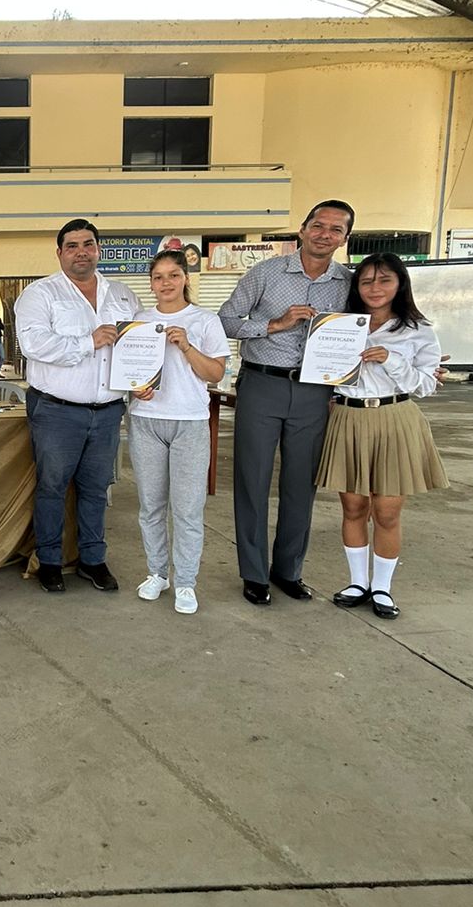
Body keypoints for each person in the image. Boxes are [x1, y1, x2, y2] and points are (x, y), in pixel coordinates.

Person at [218, 201, 355, 606]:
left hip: (315, 392)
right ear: (302, 229)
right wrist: (274, 324)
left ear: (345, 238)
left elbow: (370, 330)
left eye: (335, 229)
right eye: (318, 225)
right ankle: (254, 573)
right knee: (252, 480)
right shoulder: (266, 273)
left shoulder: (348, 284)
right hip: (263, 384)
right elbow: (225, 321)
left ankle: (288, 570)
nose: (324, 234)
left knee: (301, 485)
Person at [316, 253, 448, 620]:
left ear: (400, 283)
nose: (375, 288)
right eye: (367, 281)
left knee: (387, 512)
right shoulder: (341, 325)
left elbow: (426, 385)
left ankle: (382, 588)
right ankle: (358, 582)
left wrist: (391, 359)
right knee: (353, 507)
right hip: (348, 417)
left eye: (384, 279)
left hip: (394, 418)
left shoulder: (417, 329)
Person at [13, 218, 140, 593]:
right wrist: (89, 341)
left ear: (98, 250)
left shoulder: (123, 295)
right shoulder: (40, 294)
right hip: (57, 411)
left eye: (88, 244)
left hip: (108, 411)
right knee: (52, 487)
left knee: (96, 488)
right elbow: (34, 344)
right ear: (59, 253)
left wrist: (144, 381)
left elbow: (140, 346)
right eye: (72, 245)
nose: (81, 252)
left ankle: (93, 559)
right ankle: (50, 561)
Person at [126, 252, 229, 615]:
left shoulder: (205, 320)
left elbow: (215, 373)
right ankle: (157, 573)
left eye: (173, 275)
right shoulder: (139, 321)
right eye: (158, 277)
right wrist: (134, 388)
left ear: (185, 278)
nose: (165, 282)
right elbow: (129, 371)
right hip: (146, 420)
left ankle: (185, 581)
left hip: (190, 422)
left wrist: (186, 346)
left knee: (187, 509)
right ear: (151, 283)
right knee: (151, 506)